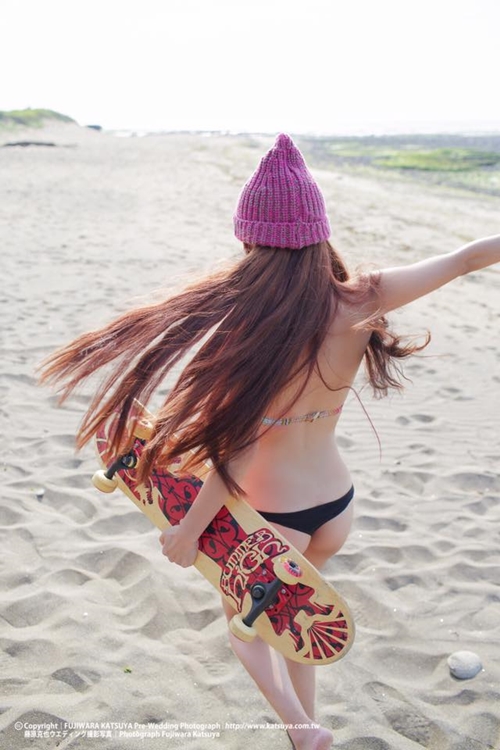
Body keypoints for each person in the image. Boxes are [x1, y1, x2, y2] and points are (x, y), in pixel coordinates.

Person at [40, 133, 499, 750]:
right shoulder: (363, 297)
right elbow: (466, 259)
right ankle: (307, 728)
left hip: (271, 518)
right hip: (336, 507)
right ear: (318, 234)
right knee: (296, 626)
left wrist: (187, 532)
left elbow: (238, 453)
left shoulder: (247, 325)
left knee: (247, 631)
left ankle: (303, 731)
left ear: (250, 241)